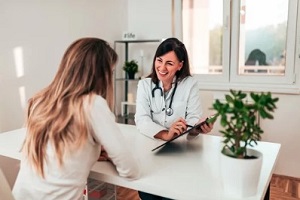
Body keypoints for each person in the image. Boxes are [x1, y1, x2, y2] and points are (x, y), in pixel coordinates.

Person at [12, 38, 140, 200]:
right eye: (111, 72)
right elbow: (130, 171)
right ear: (101, 74)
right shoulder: (92, 104)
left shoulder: (40, 100)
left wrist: (91, 150)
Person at [134, 37, 214, 200]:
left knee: (177, 194)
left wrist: (196, 129)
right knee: (149, 194)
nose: (162, 67)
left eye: (169, 63)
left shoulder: (189, 84)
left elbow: (193, 118)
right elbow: (142, 120)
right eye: (159, 60)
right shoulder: (145, 85)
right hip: (152, 154)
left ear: (180, 65)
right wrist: (165, 134)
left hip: (181, 155)